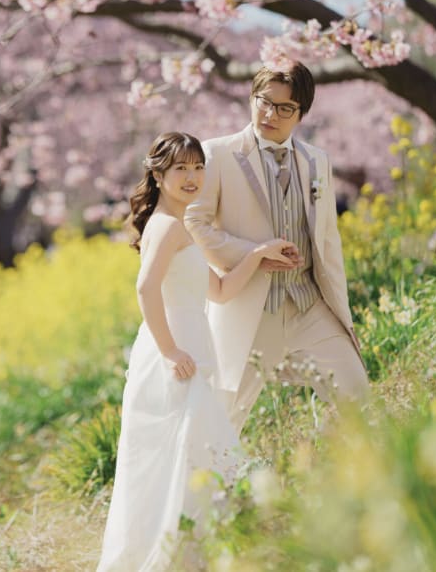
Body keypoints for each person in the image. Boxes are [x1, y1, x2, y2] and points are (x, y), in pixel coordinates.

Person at [97, 132, 295, 572]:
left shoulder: (178, 225)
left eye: (198, 167)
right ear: (159, 174)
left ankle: (196, 555)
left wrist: (258, 256)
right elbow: (145, 288)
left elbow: (221, 291)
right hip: (172, 359)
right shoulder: (166, 226)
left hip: (185, 355)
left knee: (186, 459)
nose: (192, 177)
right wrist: (169, 351)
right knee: (195, 453)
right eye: (180, 169)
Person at [185, 61, 369, 437]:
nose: (270, 114)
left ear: (301, 113)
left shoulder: (318, 161)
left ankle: (345, 485)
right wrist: (254, 254)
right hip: (250, 308)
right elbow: (194, 223)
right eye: (264, 101)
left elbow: (328, 244)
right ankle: (209, 494)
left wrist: (341, 313)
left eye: (285, 108)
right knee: (222, 420)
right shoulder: (217, 154)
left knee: (358, 396)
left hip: (309, 305)